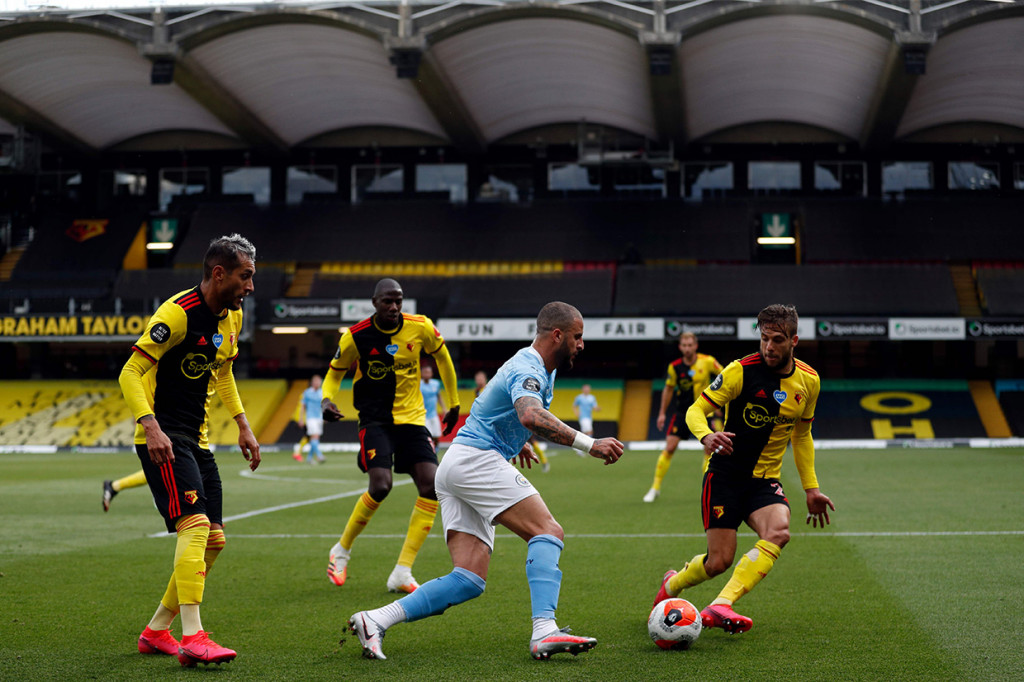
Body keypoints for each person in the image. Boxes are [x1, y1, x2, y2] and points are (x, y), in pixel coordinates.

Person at [346, 302, 624, 661]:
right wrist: (590, 444)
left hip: (459, 463)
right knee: (548, 532)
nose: (582, 344)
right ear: (557, 335)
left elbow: (498, 407)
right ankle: (545, 630)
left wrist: (516, 441)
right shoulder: (528, 366)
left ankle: (374, 620)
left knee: (468, 580)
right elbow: (529, 413)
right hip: (476, 460)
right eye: (578, 336)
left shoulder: (539, 368)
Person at [118, 233, 261, 667]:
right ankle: (194, 637)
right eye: (245, 277)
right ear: (219, 274)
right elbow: (131, 370)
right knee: (195, 526)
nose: (250, 287)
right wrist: (150, 425)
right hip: (163, 439)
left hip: (197, 440)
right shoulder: (177, 314)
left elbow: (223, 374)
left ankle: (156, 630)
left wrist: (242, 424)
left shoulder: (232, 319)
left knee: (214, 540)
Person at [652, 304, 834, 634]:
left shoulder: (809, 382)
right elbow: (696, 410)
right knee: (718, 561)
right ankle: (672, 584)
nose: (768, 347)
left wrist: (811, 488)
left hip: (764, 481)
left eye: (777, 340)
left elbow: (802, 435)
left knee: (779, 532)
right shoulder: (740, 371)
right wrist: (707, 435)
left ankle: (721, 604)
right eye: (764, 338)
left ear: (794, 340)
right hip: (724, 477)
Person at [321, 279, 460, 594]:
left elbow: (443, 359)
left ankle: (402, 571)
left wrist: (453, 402)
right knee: (380, 486)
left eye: (399, 301)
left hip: (412, 420)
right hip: (375, 420)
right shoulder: (356, 336)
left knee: (432, 485)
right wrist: (327, 399)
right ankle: (341, 550)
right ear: (374, 302)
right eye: (388, 301)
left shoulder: (420, 327)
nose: (394, 307)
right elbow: (334, 372)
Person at [643, 332, 724, 503]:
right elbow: (668, 389)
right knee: (670, 447)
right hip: (682, 414)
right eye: (684, 345)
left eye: (690, 345)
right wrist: (662, 413)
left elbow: (726, 377)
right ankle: (655, 488)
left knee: (709, 450)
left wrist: (720, 402)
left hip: (704, 413)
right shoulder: (674, 367)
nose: (687, 348)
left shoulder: (708, 361)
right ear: (680, 347)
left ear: (695, 346)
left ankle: (707, 488)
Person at [476, 369, 549, 472]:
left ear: (484, 378)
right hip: (493, 422)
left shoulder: (490, 387)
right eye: (477, 378)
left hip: (513, 419)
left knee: (532, 441)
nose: (478, 380)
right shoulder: (477, 391)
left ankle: (544, 461)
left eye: (480, 378)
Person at [293, 375, 325, 464]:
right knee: (313, 436)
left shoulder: (321, 392)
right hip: (310, 418)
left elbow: (323, 405)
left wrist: (324, 416)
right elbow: (302, 406)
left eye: (319, 381)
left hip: (319, 417)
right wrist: (300, 418)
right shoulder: (307, 392)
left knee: (315, 438)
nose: (318, 383)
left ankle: (309, 458)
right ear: (312, 382)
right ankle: (319, 455)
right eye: (316, 381)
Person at [419, 364, 445, 449]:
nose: (427, 374)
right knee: (428, 436)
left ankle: (435, 452)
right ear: (421, 374)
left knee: (437, 436)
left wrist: (444, 408)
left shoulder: (436, 383)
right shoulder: (418, 385)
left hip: (434, 414)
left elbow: (439, 396)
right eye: (425, 372)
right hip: (423, 415)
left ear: (432, 373)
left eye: (428, 372)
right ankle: (430, 452)